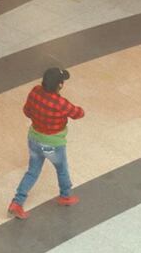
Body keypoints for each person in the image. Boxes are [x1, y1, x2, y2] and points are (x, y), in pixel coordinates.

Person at [8, 68, 84, 220]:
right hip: (52, 144)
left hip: (34, 139)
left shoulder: (35, 91)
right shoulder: (60, 103)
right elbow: (79, 113)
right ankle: (65, 196)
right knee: (61, 169)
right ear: (60, 85)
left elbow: (27, 111)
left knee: (32, 172)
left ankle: (17, 202)